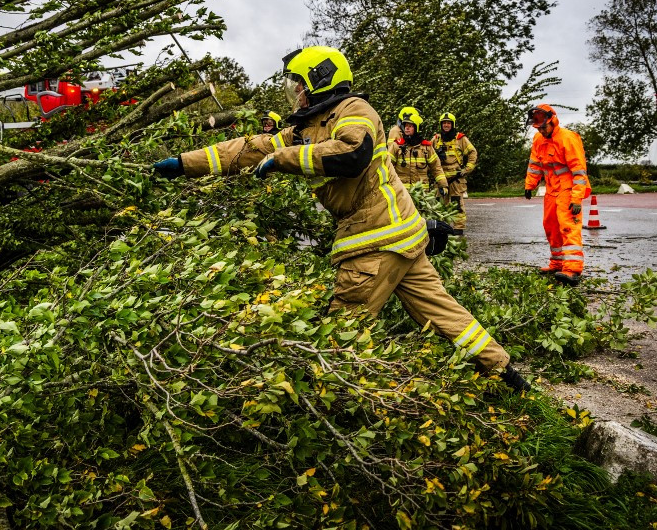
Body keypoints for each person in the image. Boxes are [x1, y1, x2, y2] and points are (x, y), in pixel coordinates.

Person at [154, 46, 530, 391]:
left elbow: (353, 153)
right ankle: (505, 374)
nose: (295, 94)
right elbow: (246, 150)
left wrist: (285, 159)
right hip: (399, 232)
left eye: (299, 85)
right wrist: (186, 164)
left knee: (340, 337)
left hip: (374, 239)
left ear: (320, 80)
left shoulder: (353, 111)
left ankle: (340, 402)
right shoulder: (305, 128)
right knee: (440, 309)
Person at [523, 104, 591, 286]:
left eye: (543, 127)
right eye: (538, 128)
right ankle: (557, 264)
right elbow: (535, 165)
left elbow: (579, 171)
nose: (541, 131)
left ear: (552, 121)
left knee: (568, 226)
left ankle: (573, 270)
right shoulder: (539, 139)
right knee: (551, 226)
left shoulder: (568, 138)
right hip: (552, 190)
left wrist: (577, 198)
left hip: (568, 190)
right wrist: (530, 185)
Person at [429, 113, 477, 234]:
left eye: (448, 123)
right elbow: (427, 153)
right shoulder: (436, 139)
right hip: (441, 179)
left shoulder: (460, 139)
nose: (446, 125)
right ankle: (441, 228)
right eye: (444, 123)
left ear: (453, 124)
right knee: (439, 205)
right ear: (441, 124)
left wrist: (466, 169)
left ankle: (458, 229)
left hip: (456, 179)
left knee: (457, 205)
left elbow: (472, 153)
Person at [387, 107, 448, 194]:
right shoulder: (396, 146)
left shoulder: (426, 147)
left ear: (416, 128)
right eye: (406, 126)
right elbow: (387, 166)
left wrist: (443, 185)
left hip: (422, 194)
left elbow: (436, 167)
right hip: (402, 194)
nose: (407, 128)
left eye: (410, 126)